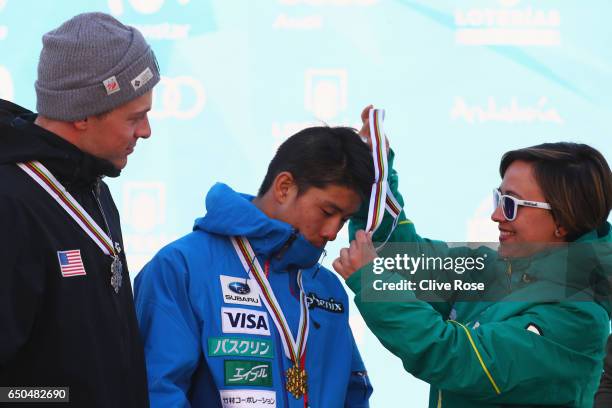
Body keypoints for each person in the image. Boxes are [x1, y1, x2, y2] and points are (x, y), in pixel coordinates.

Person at [334, 109, 612, 408]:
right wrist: (378, 179)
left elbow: (460, 360)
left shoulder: (578, 314)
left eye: (511, 204)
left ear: (563, 220)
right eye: (498, 198)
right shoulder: (492, 267)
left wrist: (372, 279)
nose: (496, 215)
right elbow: (399, 258)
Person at [135, 126, 374, 407]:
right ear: (284, 187)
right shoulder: (182, 266)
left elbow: (353, 393)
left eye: (344, 220)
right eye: (327, 212)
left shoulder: (327, 287)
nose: (333, 232)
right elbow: (158, 391)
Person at [0, 12, 159, 407]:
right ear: (83, 114)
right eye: (135, 117)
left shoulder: (93, 188)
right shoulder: (11, 202)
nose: (146, 132)